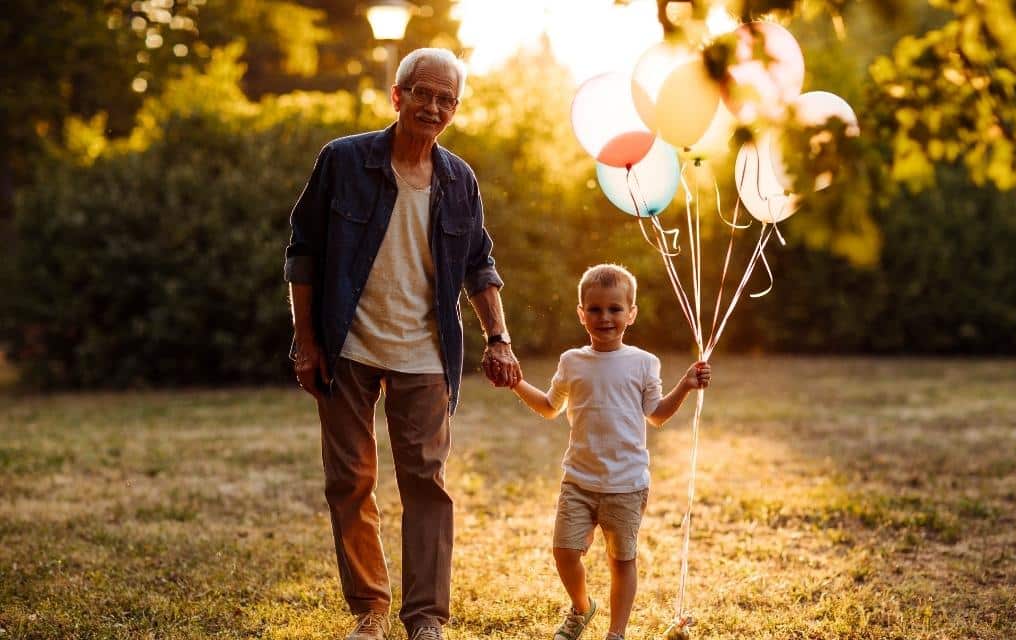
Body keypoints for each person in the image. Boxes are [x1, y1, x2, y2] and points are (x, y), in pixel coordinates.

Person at [283, 48, 521, 640]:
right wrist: (305, 341)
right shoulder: (342, 161)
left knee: (427, 485)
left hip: (425, 353)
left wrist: (499, 338)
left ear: (455, 109)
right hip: (347, 347)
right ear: (398, 95)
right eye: (423, 94)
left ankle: (426, 619)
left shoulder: (459, 179)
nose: (433, 107)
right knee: (350, 480)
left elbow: (479, 264)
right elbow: (302, 252)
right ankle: (369, 610)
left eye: (446, 99)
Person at [510, 264, 710, 640]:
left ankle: (616, 633)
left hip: (627, 484)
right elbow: (551, 406)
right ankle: (583, 607)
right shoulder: (572, 361)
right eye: (596, 309)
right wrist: (516, 382)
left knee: (622, 560)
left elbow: (657, 416)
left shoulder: (644, 363)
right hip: (579, 480)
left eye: (615, 309)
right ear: (581, 313)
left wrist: (684, 386)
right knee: (564, 552)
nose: (605, 317)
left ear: (630, 314)